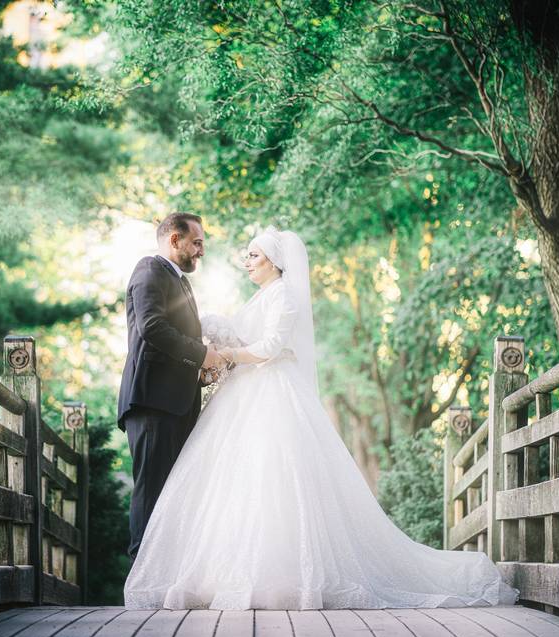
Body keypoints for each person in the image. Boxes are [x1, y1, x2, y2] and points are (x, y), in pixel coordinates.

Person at [123, 226, 519, 610]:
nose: (248, 262)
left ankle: (279, 576)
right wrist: (219, 347)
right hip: (242, 394)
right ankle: (227, 572)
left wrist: (226, 355)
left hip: (272, 392)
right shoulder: (258, 297)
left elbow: (273, 346)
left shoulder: (284, 298)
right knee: (238, 481)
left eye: (254, 255)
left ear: (275, 262)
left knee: (277, 478)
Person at [117, 212, 227, 562]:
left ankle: (164, 572)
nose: (201, 252)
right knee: (150, 492)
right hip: (153, 403)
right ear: (174, 239)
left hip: (174, 402)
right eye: (196, 243)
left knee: (172, 493)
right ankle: (141, 578)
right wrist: (202, 355)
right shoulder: (150, 270)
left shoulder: (177, 279)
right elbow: (152, 327)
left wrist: (197, 371)